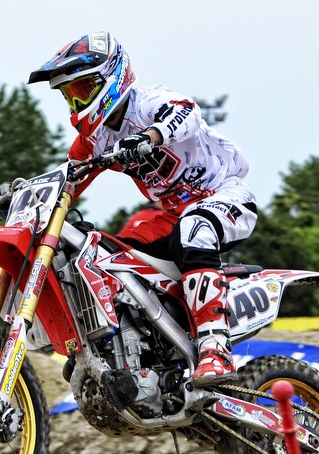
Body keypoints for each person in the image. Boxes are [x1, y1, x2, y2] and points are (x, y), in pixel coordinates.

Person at [27, 31, 257, 388]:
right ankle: (127, 349)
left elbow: (187, 112)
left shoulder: (148, 102)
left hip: (225, 195)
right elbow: (67, 179)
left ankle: (215, 346)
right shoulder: (94, 139)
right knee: (109, 255)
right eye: (69, 95)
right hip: (171, 213)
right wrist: (24, 198)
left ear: (111, 78)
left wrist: (150, 137)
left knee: (193, 228)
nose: (77, 102)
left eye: (82, 90)